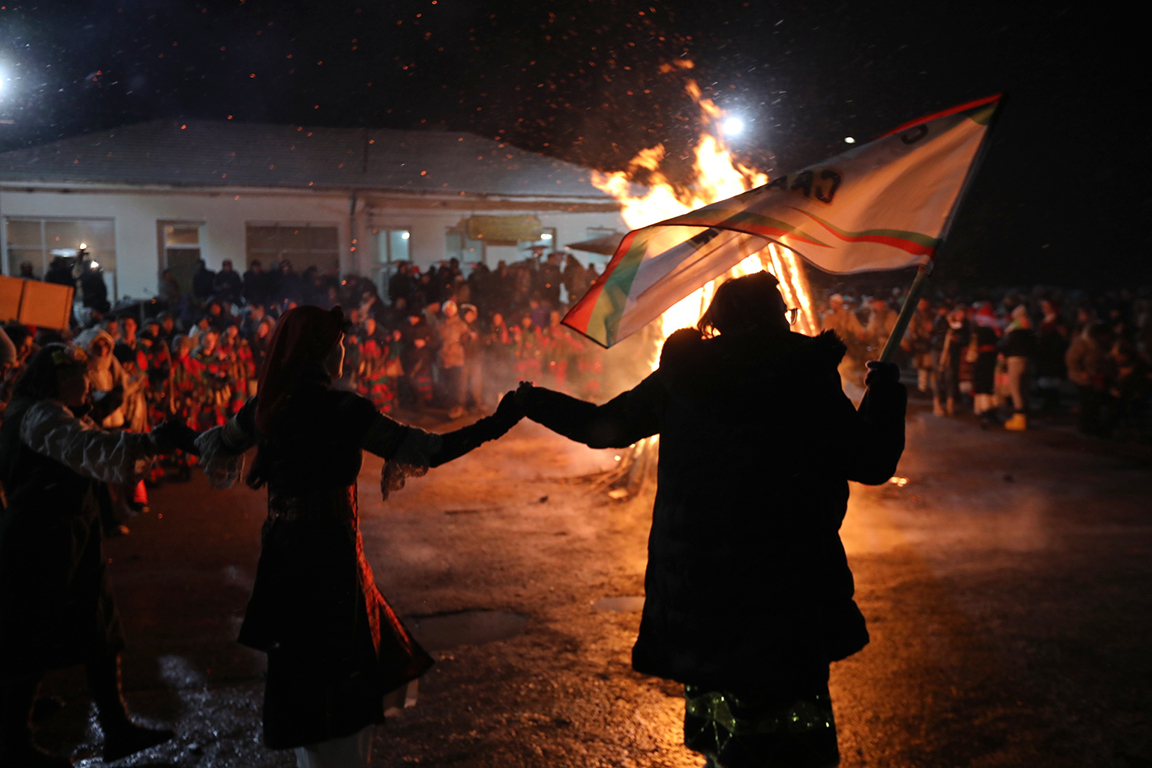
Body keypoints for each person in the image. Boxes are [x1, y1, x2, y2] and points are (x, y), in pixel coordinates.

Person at [515, 271, 907, 768]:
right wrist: (885, 395)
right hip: (787, 590)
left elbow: (601, 428)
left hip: (704, 594)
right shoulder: (803, 374)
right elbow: (871, 462)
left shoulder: (683, 375)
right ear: (774, 318)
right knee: (792, 738)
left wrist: (534, 399)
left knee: (725, 739)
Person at [194, 306, 524, 768]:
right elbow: (429, 448)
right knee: (339, 672)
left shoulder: (267, 409)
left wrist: (157, 440)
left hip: (284, 556)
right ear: (325, 353)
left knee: (301, 668)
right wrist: (499, 422)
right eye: (339, 343)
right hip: (330, 559)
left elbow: (211, 443)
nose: (345, 350)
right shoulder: (343, 410)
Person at [0, 344, 198, 766]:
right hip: (40, 540)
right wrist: (156, 442)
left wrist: (147, 440)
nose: (88, 382)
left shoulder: (49, 409)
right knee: (30, 637)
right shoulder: (41, 415)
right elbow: (93, 450)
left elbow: (97, 439)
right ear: (57, 379)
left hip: (69, 533)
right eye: (80, 375)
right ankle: (13, 742)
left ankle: (116, 728)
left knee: (99, 629)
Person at [1000, 305, 1037, 431]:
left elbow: (1006, 346)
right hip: (1027, 361)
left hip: (1014, 361)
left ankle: (1019, 417)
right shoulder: (1030, 332)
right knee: (1024, 388)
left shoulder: (1014, 332)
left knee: (1015, 389)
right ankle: (1026, 415)